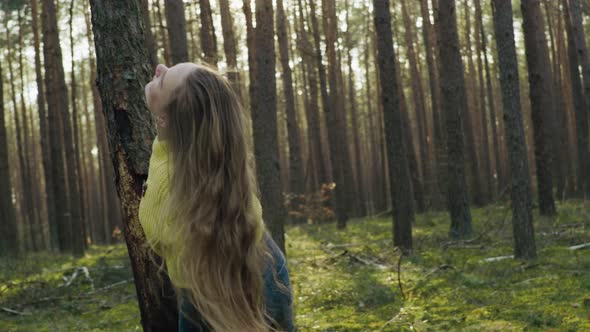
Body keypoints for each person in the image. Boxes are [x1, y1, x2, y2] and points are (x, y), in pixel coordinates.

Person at [138, 63, 294, 331]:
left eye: (163, 80)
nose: (159, 67)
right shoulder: (220, 158)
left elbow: (153, 234)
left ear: (164, 120)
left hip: (209, 289)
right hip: (264, 262)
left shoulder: (167, 178)